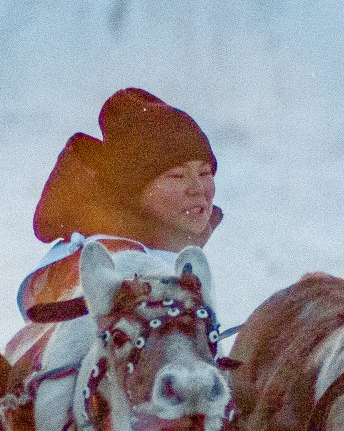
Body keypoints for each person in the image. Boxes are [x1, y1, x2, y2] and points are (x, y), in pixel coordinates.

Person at [15, 89, 220, 355]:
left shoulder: (160, 249)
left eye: (205, 172)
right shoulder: (105, 259)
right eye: (177, 176)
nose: (198, 188)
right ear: (133, 193)